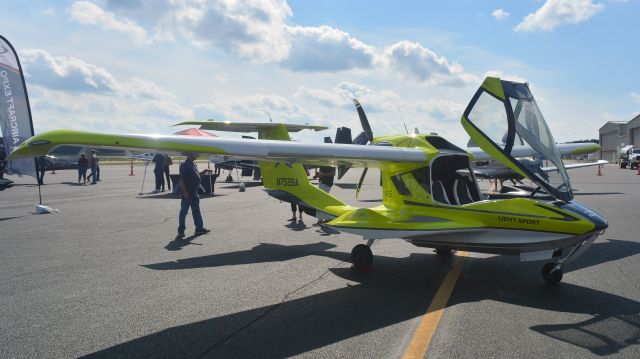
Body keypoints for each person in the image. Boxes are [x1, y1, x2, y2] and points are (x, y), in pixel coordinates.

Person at [177, 153, 210, 238]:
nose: (197, 155)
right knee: (183, 212)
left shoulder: (193, 164)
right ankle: (181, 230)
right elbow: (181, 180)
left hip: (194, 192)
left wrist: (204, 172)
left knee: (196, 211)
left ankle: (199, 228)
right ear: (190, 155)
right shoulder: (184, 165)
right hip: (188, 193)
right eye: (195, 154)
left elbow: (196, 175)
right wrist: (185, 193)